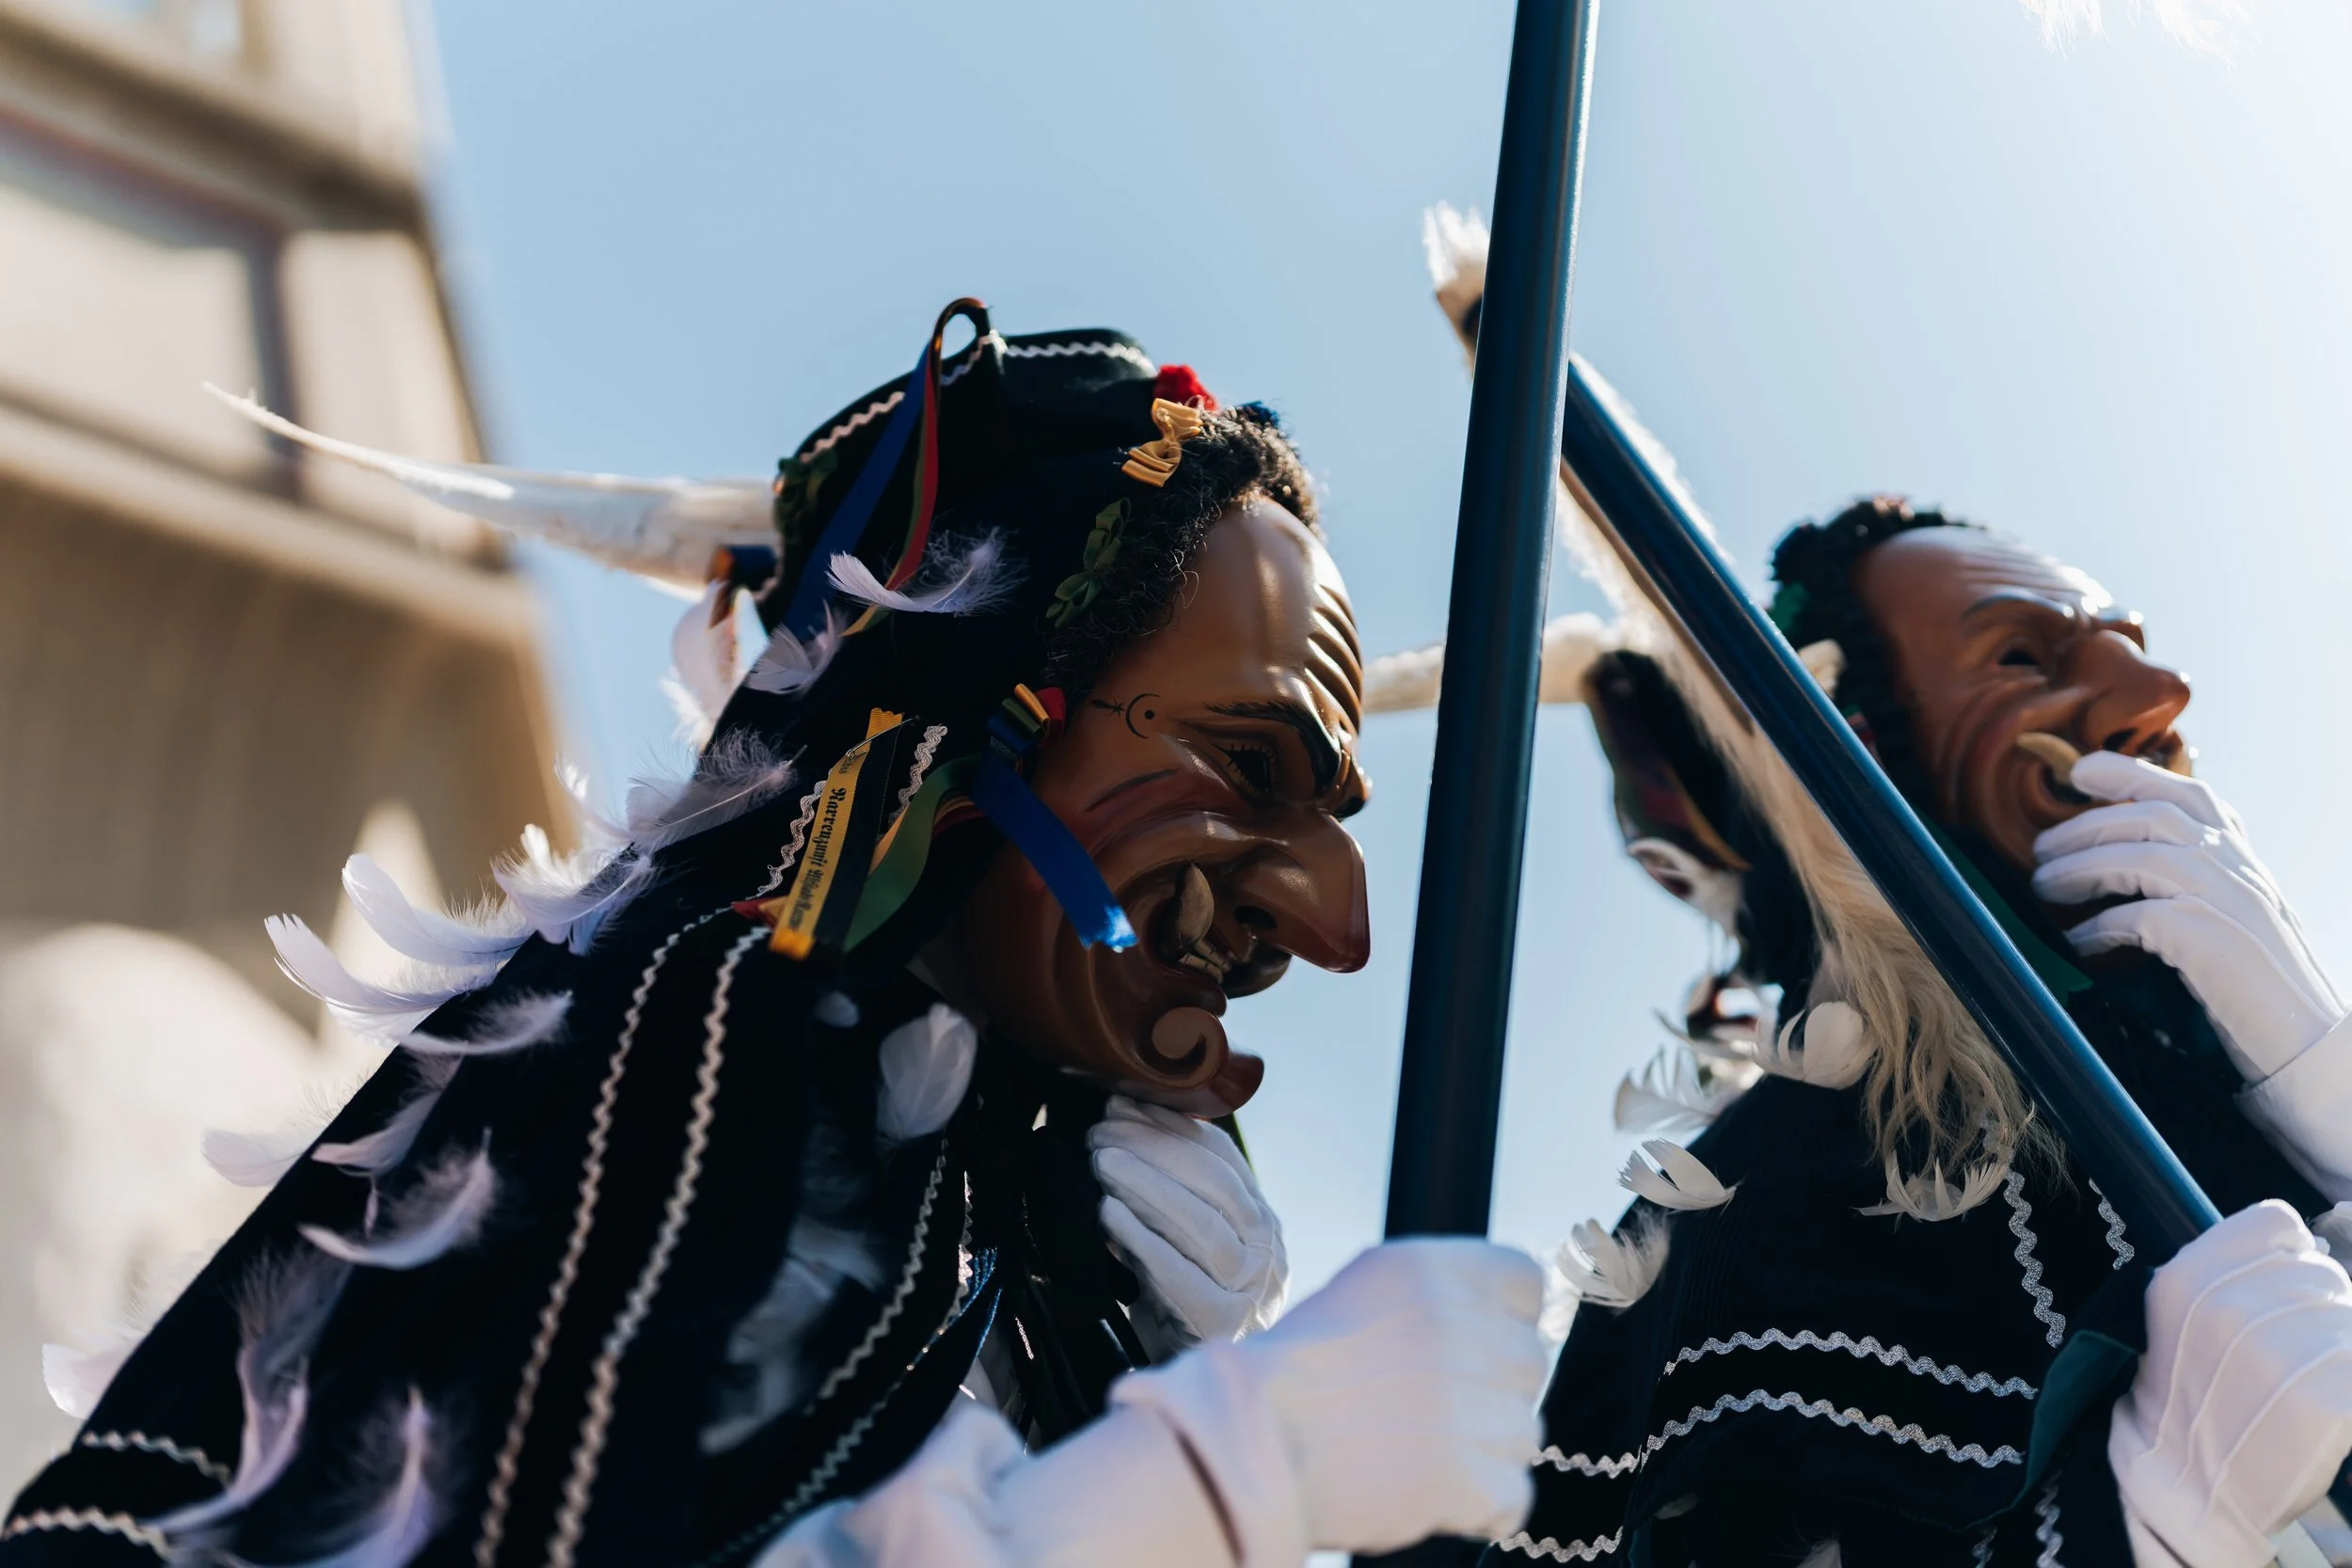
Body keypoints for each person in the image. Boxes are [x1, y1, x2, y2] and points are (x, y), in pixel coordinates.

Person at [0, 301, 1549, 1567]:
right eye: (1248, 767)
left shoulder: (1041, 1232)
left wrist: (1151, 1377)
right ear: (981, 720)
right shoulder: (665, 1078)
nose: (1334, 922)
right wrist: (1231, 1472)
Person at [1378, 212, 2352, 1567]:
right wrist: (2145, 1526)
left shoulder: (2264, 1085)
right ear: (1867, 765)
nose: (2157, 689)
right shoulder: (1773, 1200)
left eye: (2130, 642)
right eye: (2023, 659)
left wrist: (2325, 1089)